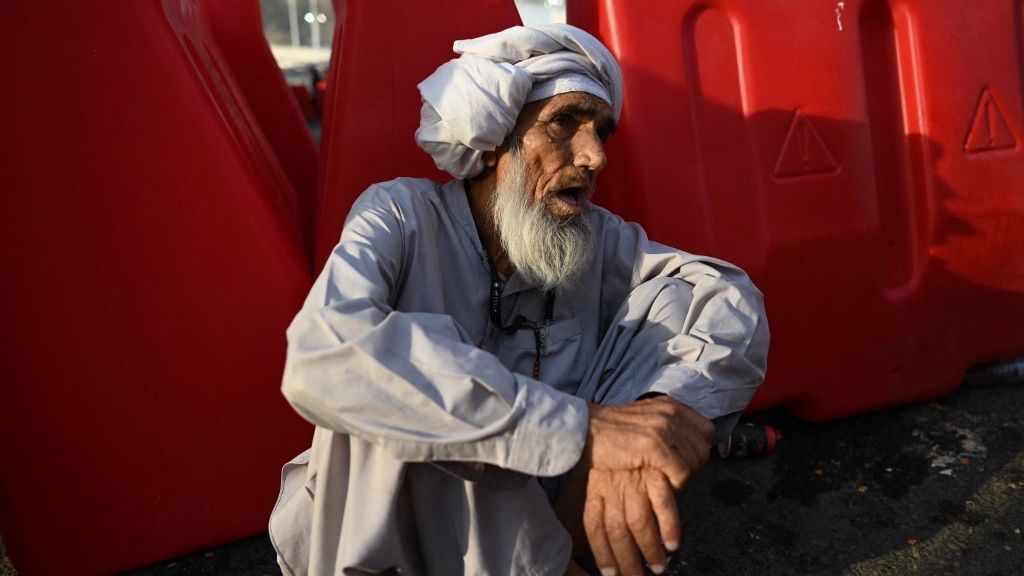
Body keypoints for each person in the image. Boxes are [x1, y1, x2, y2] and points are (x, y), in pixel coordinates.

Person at [270, 23, 769, 576]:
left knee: (677, 301)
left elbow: (729, 299)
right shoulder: (399, 215)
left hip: (546, 504)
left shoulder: (594, 237)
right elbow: (321, 356)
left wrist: (650, 417)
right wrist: (585, 428)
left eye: (601, 132)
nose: (595, 156)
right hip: (392, 537)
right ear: (492, 143)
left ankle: (573, 549)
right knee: (407, 381)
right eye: (564, 124)